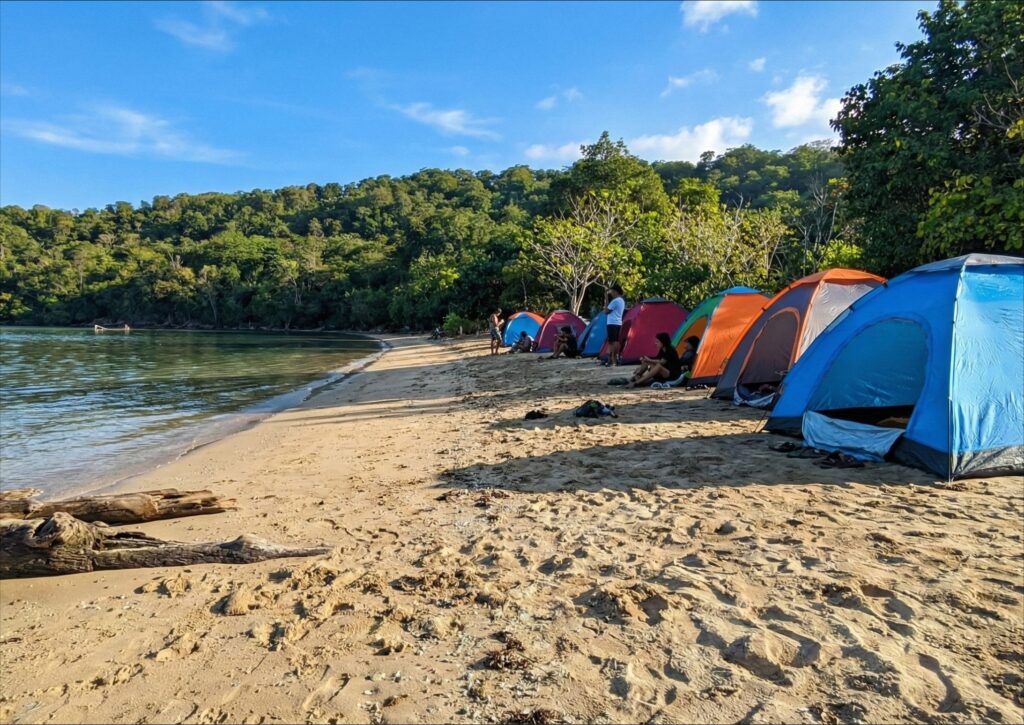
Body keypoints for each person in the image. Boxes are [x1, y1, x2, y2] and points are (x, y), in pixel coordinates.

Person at [603, 284, 625, 366]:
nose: (611, 293)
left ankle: (613, 359)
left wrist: (606, 299)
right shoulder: (621, 300)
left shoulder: (615, 301)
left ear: (615, 291)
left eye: (611, 291)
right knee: (615, 341)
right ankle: (612, 359)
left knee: (613, 341)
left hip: (612, 323)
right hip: (618, 322)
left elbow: (606, 311)